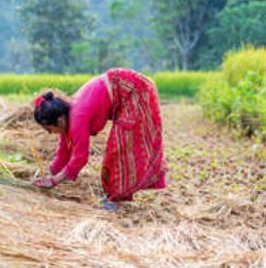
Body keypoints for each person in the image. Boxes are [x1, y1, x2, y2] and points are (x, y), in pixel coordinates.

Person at [30, 68, 168, 211]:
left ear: (59, 121)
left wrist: (54, 181)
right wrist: (48, 174)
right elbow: (64, 151)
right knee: (118, 146)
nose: (49, 133)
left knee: (119, 148)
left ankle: (116, 199)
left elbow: (80, 158)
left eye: (48, 129)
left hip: (134, 91)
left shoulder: (78, 118)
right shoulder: (68, 117)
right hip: (124, 89)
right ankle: (115, 196)